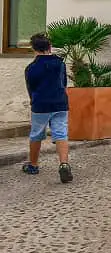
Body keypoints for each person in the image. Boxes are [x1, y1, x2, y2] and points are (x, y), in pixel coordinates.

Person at [23, 33, 72, 183]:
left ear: (34, 48)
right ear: (49, 47)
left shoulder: (31, 68)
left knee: (36, 134)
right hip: (60, 103)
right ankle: (64, 164)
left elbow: (31, 88)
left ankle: (33, 165)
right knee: (61, 133)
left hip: (41, 105)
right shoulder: (60, 64)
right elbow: (64, 83)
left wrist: (34, 101)